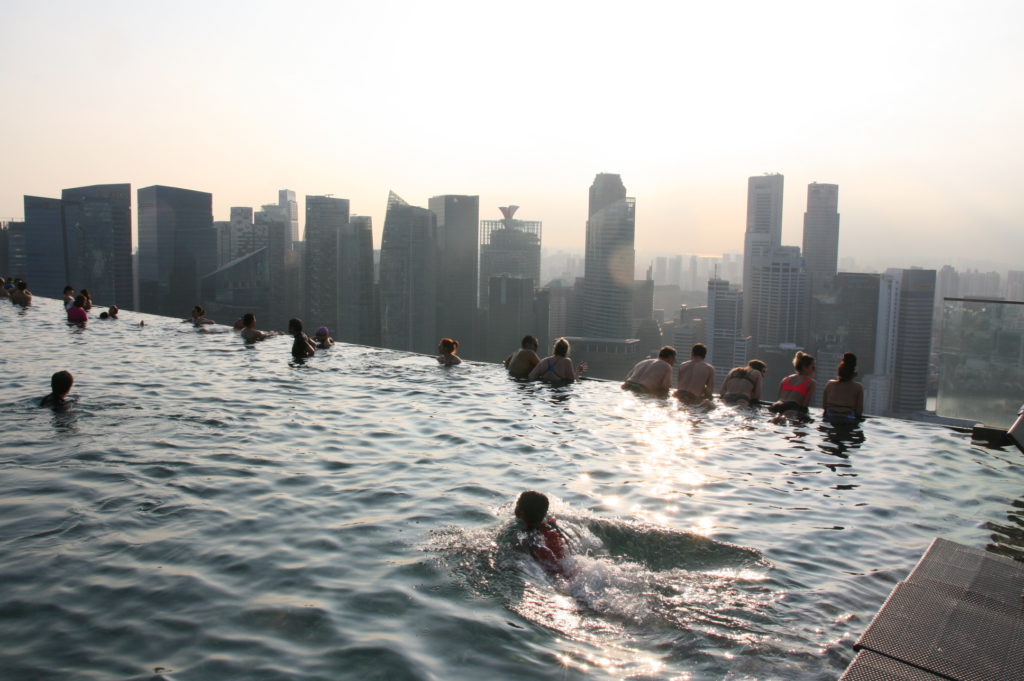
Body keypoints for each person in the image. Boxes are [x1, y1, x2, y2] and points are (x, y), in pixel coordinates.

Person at [514, 490, 568, 576]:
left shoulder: (525, 535)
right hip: (566, 567)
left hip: (550, 573)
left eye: (517, 503)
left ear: (520, 512)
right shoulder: (552, 527)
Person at [769, 351, 817, 417]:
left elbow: (778, 397)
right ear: (804, 367)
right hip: (792, 407)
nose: (814, 370)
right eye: (813, 367)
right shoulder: (811, 382)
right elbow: (804, 405)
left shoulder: (785, 379)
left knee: (776, 418)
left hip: (776, 406)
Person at [822, 353, 864, 423]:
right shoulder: (858, 388)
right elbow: (859, 412)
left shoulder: (830, 384)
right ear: (853, 373)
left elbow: (824, 406)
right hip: (848, 419)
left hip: (830, 417)